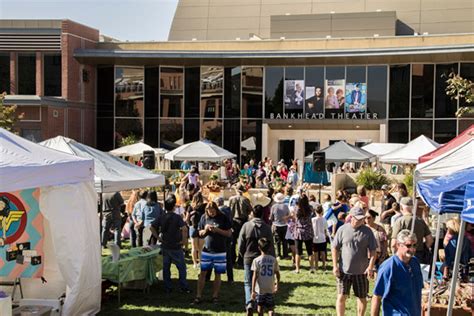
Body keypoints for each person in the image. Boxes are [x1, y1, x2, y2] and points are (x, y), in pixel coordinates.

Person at [332, 207, 377, 316]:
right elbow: (335, 248)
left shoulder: (367, 231)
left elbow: (373, 251)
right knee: (341, 296)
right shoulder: (342, 229)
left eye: (363, 218)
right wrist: (335, 266)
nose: (362, 220)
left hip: (361, 272)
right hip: (344, 271)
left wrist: (370, 267)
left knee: (362, 298)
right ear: (351, 217)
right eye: (359, 218)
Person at [371, 230, 423, 316]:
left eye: (415, 245)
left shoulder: (415, 262)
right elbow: (377, 296)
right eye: (408, 245)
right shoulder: (388, 267)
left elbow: (417, 288)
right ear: (398, 245)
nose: (412, 249)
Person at [150, 195, 191, 294]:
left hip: (165, 245)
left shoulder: (161, 216)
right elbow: (185, 229)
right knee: (181, 267)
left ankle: (168, 287)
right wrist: (184, 240)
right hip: (176, 245)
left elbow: (151, 227)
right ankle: (183, 286)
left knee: (166, 267)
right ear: (173, 207)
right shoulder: (177, 217)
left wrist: (158, 237)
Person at [193, 202, 232, 305]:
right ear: (207, 211)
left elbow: (229, 233)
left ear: (216, 210)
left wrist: (217, 230)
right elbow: (199, 233)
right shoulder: (203, 217)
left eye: (213, 211)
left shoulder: (223, 217)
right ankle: (198, 296)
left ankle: (215, 296)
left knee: (218, 274)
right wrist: (205, 230)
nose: (211, 213)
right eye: (210, 212)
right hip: (207, 250)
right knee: (202, 273)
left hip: (220, 250)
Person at [238, 205, 275, 315]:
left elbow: (240, 243)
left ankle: (249, 303)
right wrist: (272, 258)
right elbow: (271, 245)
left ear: (253, 214)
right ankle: (262, 305)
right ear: (262, 214)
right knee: (261, 282)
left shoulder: (246, 226)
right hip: (263, 258)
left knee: (248, 282)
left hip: (249, 257)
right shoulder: (267, 227)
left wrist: (242, 255)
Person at [391, 197, 433, 264]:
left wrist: (396, 256)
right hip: (419, 255)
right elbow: (430, 240)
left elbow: (393, 244)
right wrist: (421, 249)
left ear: (401, 207)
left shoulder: (399, 221)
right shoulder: (420, 221)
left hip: (403, 256)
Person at [251, 237, 280, 316]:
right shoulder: (273, 260)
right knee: (270, 308)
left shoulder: (256, 260)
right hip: (270, 287)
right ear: (270, 248)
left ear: (259, 248)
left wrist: (253, 290)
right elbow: (277, 273)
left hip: (260, 289)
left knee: (260, 308)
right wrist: (277, 284)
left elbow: (254, 276)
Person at [229, 183, 253, 266]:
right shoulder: (245, 199)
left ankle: (232, 259)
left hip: (233, 221)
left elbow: (229, 210)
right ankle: (240, 260)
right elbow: (250, 210)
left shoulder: (231, 199)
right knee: (242, 241)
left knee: (233, 241)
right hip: (243, 221)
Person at [442, 217, 472, 281]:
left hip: (453, 271)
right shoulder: (466, 240)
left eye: (447, 229)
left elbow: (449, 259)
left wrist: (445, 274)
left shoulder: (452, 241)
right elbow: (471, 255)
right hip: (464, 270)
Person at [293, 195, 314, 274]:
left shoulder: (297, 209)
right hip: (308, 231)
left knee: (298, 252)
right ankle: (312, 267)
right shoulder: (310, 208)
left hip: (299, 231)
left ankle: (297, 269)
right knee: (310, 251)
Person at [215, 197, 234, 284]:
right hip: (228, 235)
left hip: (220, 236)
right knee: (228, 258)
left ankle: (208, 276)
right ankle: (230, 278)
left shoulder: (220, 212)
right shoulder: (229, 210)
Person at [187, 192, 206, 268]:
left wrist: (189, 225)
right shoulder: (204, 206)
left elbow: (187, 218)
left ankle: (195, 263)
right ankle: (201, 262)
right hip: (201, 228)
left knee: (194, 248)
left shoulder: (190, 207)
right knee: (201, 248)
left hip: (193, 227)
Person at [270, 193, 290, 259]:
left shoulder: (273, 207)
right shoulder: (285, 206)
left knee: (277, 241)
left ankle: (278, 255)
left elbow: (271, 217)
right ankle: (285, 255)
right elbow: (288, 215)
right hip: (284, 225)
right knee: (285, 241)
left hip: (276, 224)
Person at [311, 203, 329, 272]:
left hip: (315, 238)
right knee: (323, 252)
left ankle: (316, 266)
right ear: (322, 211)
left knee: (315, 253)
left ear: (315, 211)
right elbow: (325, 229)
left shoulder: (312, 220)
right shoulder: (324, 219)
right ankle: (324, 265)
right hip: (322, 238)